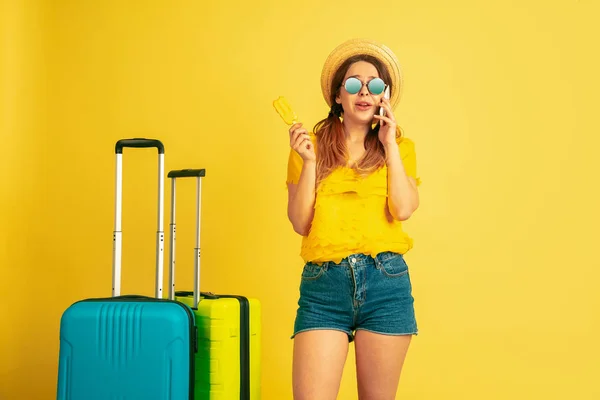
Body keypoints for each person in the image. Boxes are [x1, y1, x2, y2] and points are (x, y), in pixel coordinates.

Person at [285, 38, 421, 400]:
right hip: (323, 287)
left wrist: (390, 145)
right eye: (352, 84)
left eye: (374, 85)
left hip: (386, 283)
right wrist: (311, 162)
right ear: (337, 96)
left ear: (384, 97)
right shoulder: (308, 148)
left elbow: (403, 209)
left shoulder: (401, 148)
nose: (364, 92)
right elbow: (300, 223)